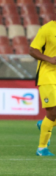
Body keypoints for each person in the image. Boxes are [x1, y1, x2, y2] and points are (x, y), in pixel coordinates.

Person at [30, 19, 56, 156]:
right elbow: (32, 50)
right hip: (48, 76)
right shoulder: (47, 29)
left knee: (51, 117)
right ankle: (42, 148)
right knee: (53, 112)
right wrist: (50, 59)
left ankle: (45, 124)